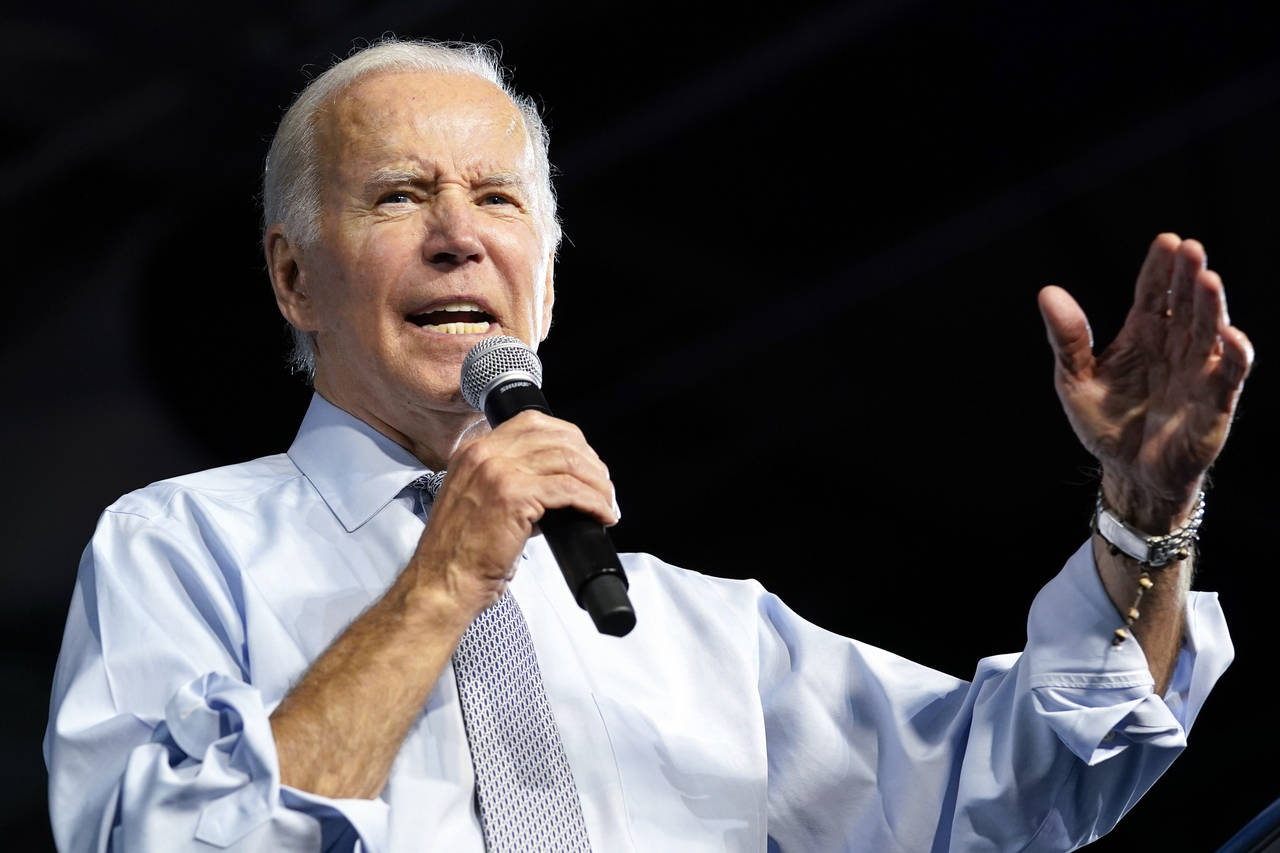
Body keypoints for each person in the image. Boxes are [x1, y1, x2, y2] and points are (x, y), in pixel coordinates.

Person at [44, 39, 1253, 852]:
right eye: (400, 196)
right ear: (294, 274)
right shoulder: (180, 546)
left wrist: (1142, 516)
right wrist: (443, 582)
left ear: (546, 284)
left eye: (499, 199)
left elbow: (1033, 779)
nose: (461, 238)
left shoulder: (699, 634)